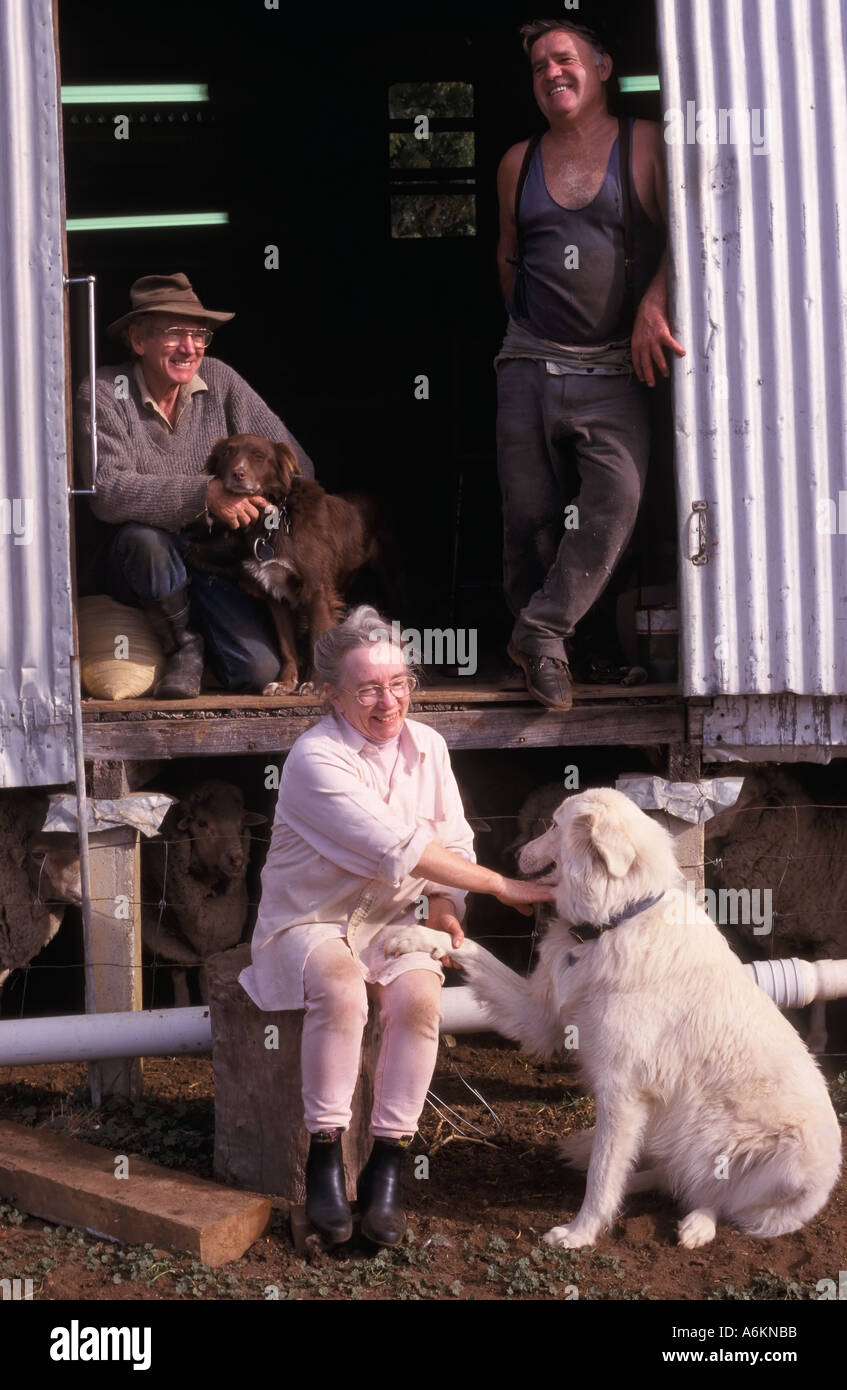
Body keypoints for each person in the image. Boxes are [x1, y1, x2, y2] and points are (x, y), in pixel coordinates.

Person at [238, 606, 552, 1247]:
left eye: (399, 685)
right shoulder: (313, 758)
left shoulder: (429, 747)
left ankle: (386, 1166)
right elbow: (395, 845)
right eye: (369, 690)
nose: (389, 703)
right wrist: (498, 885)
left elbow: (452, 838)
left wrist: (446, 904)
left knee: (418, 1006)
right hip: (311, 918)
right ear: (331, 695)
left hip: (392, 920)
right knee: (341, 988)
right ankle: (325, 1156)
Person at [496, 18, 686, 710]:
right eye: (540, 66)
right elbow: (507, 254)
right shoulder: (518, 161)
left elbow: (685, 237)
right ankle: (549, 654)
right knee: (530, 518)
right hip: (528, 360)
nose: (552, 72)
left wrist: (653, 302)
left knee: (615, 500)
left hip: (613, 363)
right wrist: (528, 334)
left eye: (565, 58)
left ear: (602, 68)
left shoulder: (642, 146)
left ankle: (540, 631)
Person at [76, 272, 315, 697]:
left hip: (215, 558)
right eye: (174, 334)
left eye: (199, 334)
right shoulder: (104, 393)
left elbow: (298, 468)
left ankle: (206, 650)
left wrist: (252, 503)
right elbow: (107, 492)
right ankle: (184, 645)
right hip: (138, 562)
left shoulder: (221, 380)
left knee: (259, 672)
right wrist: (203, 494)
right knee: (147, 542)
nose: (190, 348)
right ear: (137, 340)